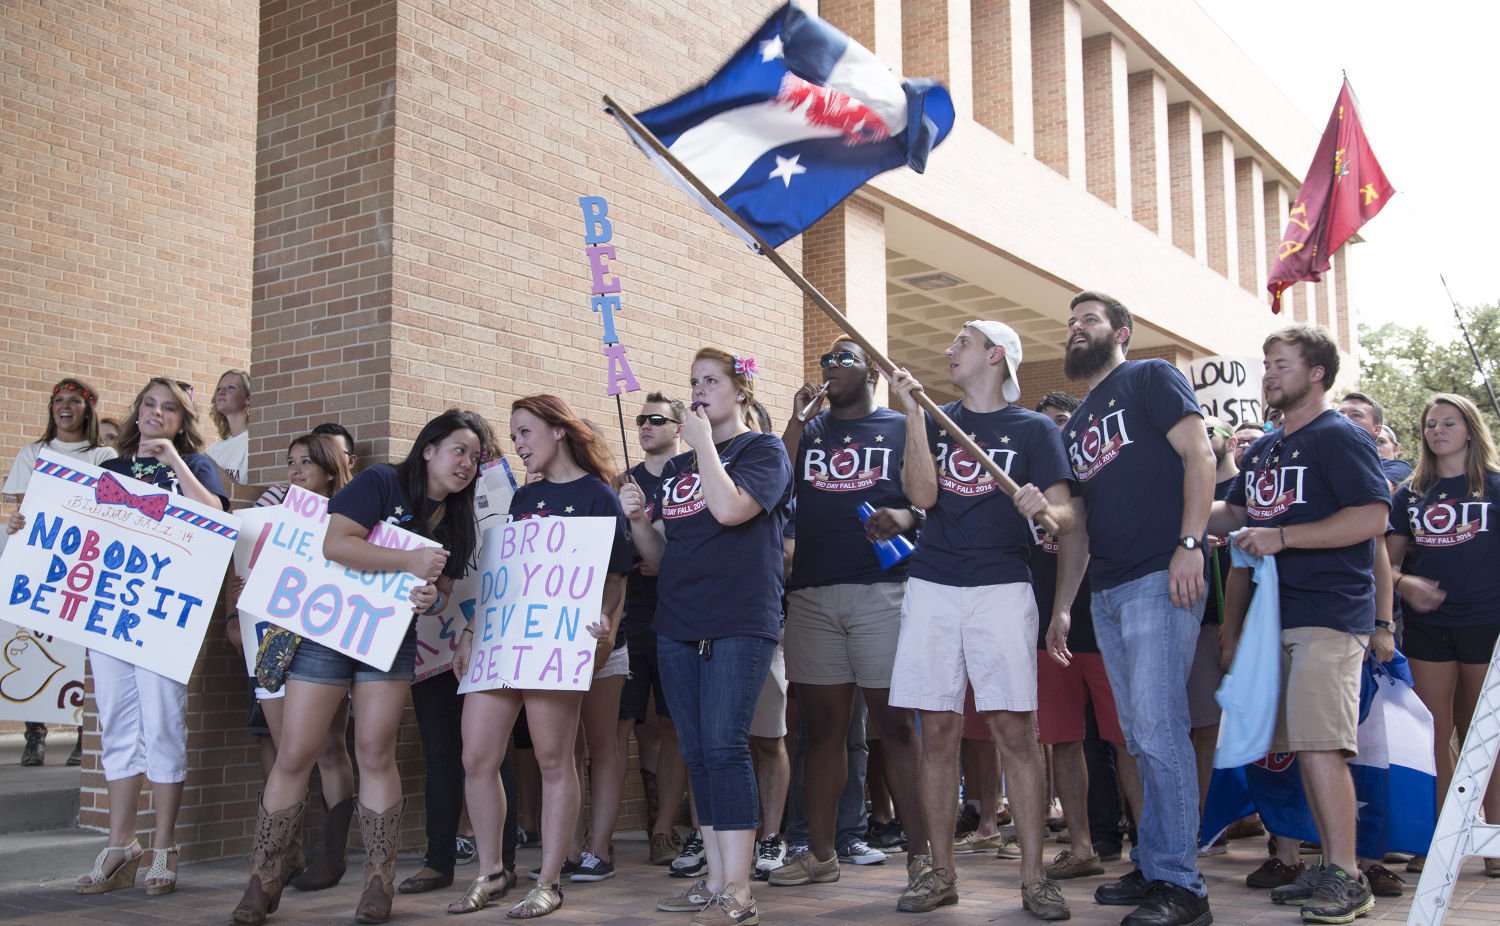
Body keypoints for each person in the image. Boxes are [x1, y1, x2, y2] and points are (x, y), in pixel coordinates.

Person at [231, 409, 487, 925]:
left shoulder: (458, 517)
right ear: (430, 448)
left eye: (476, 457)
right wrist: (409, 564)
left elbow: (441, 593)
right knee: (297, 752)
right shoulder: (381, 481)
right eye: (459, 449)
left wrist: (428, 598)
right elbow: (336, 542)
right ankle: (262, 880)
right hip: (326, 631)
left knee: (375, 752)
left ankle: (378, 883)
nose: (467, 463)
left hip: (387, 640)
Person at [11, 378, 229, 897]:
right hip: (110, 616)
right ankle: (119, 843)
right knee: (116, 727)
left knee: (163, 726)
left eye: (169, 408)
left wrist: (174, 460)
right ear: (137, 412)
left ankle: (164, 846)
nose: (157, 414)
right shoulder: (110, 468)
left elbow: (217, 517)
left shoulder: (195, 465)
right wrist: (28, 522)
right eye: (150, 405)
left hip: (160, 619)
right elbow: (73, 525)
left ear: (182, 420)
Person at [887, 321, 1075, 920]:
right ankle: (940, 873)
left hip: (1002, 587)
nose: (949, 349)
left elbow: (1067, 518)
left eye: (961, 342)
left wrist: (1045, 506)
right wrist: (915, 418)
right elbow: (922, 495)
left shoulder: (1033, 429)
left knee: (1015, 731)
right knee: (936, 731)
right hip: (933, 585)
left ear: (995, 356)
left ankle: (1034, 877)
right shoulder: (936, 418)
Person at [1211, 325, 1392, 924]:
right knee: (1299, 748)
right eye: (1265, 363)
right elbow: (1234, 511)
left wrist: (1283, 537)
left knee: (1320, 746)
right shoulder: (1264, 448)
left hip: (1328, 612)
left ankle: (1348, 874)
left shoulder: (1340, 436)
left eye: (1281, 364)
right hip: (1273, 620)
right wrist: (1165, 502)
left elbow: (1370, 516)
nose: (1268, 373)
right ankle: (1329, 865)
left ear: (1317, 373)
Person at [1051, 292, 1215, 926]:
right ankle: (1155, 863)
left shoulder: (1150, 376)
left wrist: (1190, 544)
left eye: (1089, 320)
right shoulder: (1077, 422)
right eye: (1070, 323)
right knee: (1139, 736)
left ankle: (1184, 887)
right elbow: (1080, 525)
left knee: (1158, 728)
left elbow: (1199, 456)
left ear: (1121, 331)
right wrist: (1065, 604)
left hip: (1160, 577)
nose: (1076, 329)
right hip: (1109, 592)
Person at [619, 347, 792, 926]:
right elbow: (661, 559)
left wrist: (707, 448)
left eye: (711, 381)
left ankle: (739, 892)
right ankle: (716, 880)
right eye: (693, 381)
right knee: (696, 753)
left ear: (740, 391)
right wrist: (641, 521)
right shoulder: (679, 469)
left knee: (724, 747)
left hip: (739, 619)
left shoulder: (762, 449)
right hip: (677, 622)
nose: (699, 390)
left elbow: (732, 510)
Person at [448, 395, 630, 917]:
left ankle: (549, 880)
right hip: (504, 639)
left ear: (558, 431)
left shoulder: (599, 495)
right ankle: (491, 872)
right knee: (476, 757)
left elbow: (614, 580)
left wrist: (606, 629)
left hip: (556, 643)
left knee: (555, 759)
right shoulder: (525, 501)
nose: (519, 445)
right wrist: (470, 632)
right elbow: (504, 577)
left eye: (525, 432)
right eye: (515, 435)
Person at [768, 339, 924, 887]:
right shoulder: (809, 433)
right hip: (812, 593)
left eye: (844, 360)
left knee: (897, 726)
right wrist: (794, 419)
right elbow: (774, 483)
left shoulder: (897, 427)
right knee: (822, 731)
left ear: (872, 374)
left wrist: (904, 515)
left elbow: (929, 497)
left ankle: (924, 859)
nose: (831, 368)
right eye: (825, 362)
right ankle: (821, 853)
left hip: (883, 589)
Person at [228, 434, 360, 892]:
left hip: (326, 643)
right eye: (290, 462)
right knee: (289, 754)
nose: (296, 470)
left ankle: (332, 855)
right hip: (274, 642)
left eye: (306, 462)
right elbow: (250, 572)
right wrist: (243, 598)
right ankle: (283, 857)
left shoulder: (348, 516)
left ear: (329, 469)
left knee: (329, 748)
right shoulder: (271, 519)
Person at [1386, 394, 1500, 879]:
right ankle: (1437, 835)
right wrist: (1404, 582)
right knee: (1432, 733)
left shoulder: (1494, 487)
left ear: (1470, 429)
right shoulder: (1409, 494)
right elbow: (1384, 564)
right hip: (1429, 630)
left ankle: (1494, 837)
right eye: (1430, 424)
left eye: (1447, 423)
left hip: (1487, 623)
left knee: (1486, 736)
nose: (1437, 431)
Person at [1028, 391, 1133, 882]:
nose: (1056, 433)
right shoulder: (1025, 489)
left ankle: (1150, 847)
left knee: (1125, 739)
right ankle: (1081, 845)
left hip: (1104, 621)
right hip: (1045, 631)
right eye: (1046, 426)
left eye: (1063, 424)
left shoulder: (1100, 480)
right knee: (1063, 740)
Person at [3, 378, 117, 768]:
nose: (64, 407)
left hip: (83, 563)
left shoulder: (102, 455)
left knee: (76, 649)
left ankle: (82, 735)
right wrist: (18, 521)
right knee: (34, 641)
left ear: (88, 410)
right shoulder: (33, 452)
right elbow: (26, 506)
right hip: (40, 560)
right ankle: (35, 733)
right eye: (58, 401)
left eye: (73, 401)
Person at [617, 393, 691, 866]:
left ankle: (664, 828)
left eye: (656, 419)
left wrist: (667, 561)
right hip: (630, 616)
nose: (645, 425)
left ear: (679, 427)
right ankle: (596, 834)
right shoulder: (623, 481)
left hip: (678, 615)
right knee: (616, 723)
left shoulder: (692, 474)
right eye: (641, 419)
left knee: (673, 725)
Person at [207, 369, 254, 501]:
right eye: (219, 389)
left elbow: (249, 494)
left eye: (231, 387)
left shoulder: (253, 444)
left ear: (248, 398)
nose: (222, 392)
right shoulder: (212, 450)